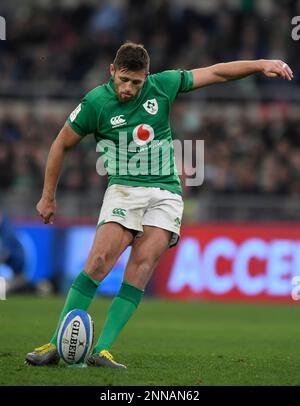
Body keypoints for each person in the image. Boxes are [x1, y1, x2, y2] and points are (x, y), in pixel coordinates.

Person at [25, 42, 293, 368]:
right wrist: (48, 195)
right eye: (123, 80)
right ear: (112, 71)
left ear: (146, 77)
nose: (128, 88)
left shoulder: (163, 86)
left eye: (136, 82)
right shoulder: (96, 102)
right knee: (97, 261)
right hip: (124, 190)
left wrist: (260, 63)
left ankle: (103, 350)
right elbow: (60, 144)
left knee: (141, 267)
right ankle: (55, 344)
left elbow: (217, 72)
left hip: (166, 193)